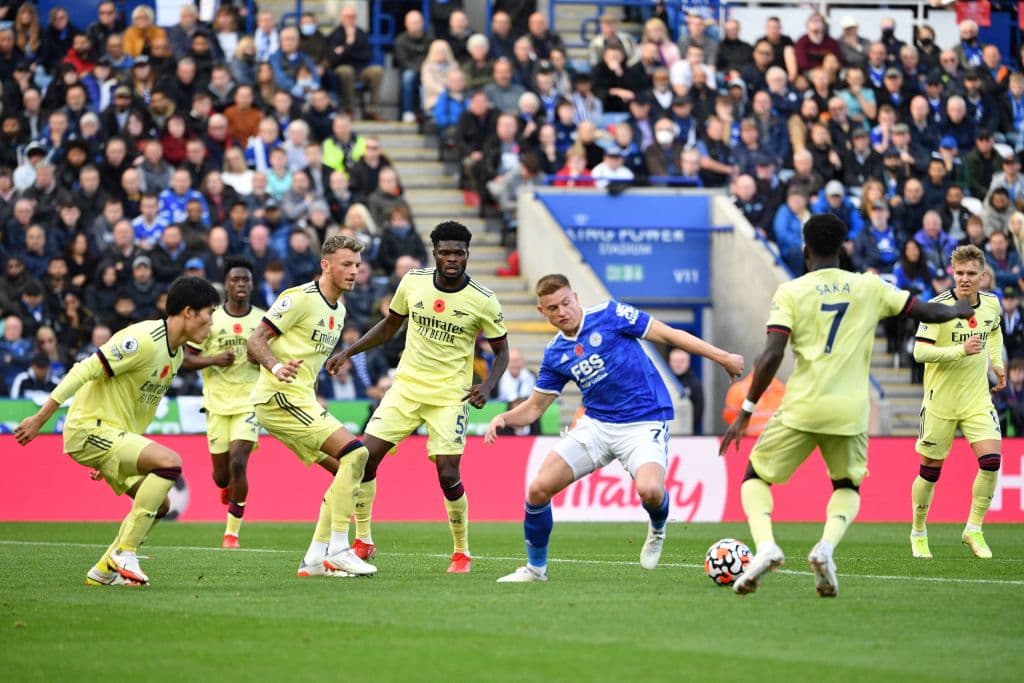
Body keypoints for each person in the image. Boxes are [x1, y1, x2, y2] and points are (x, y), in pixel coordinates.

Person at [720, 214, 974, 598]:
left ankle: (767, 545)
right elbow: (923, 311)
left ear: (806, 250)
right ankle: (825, 547)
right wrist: (959, 309)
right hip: (850, 410)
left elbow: (772, 353)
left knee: (755, 477)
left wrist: (746, 409)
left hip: (803, 406)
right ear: (842, 248)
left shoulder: (791, 291)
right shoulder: (869, 287)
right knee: (846, 484)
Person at [484, 274, 744, 582]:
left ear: (576, 298)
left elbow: (669, 335)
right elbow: (536, 407)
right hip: (597, 426)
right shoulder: (555, 353)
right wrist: (503, 418)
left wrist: (723, 357)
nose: (562, 312)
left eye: (566, 303)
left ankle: (658, 525)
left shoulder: (611, 315)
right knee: (538, 489)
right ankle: (536, 569)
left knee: (650, 491)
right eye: (553, 308)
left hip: (643, 421)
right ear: (543, 312)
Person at [325, 221, 509, 574]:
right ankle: (362, 539)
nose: (452, 259)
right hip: (406, 389)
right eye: (445, 252)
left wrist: (486, 387)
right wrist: (349, 351)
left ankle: (461, 552)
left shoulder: (484, 300)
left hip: (449, 397)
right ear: (435, 253)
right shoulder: (413, 282)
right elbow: (390, 326)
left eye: (458, 253)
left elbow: (501, 353)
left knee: (447, 474)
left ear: (467, 255)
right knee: (364, 457)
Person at [14, 277, 221, 586]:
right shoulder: (143, 339)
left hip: (112, 436)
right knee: (170, 462)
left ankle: (103, 570)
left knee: (160, 505)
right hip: (88, 428)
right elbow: (84, 369)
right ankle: (124, 552)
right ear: (189, 312)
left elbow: (140, 407)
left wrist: (118, 456)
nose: (212, 322)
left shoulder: (175, 354)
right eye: (209, 312)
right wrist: (41, 417)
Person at [246, 235, 377, 578]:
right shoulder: (299, 299)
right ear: (326, 265)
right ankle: (339, 548)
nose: (354, 272)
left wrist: (315, 382)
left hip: (300, 398)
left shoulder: (340, 311)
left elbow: (310, 362)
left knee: (344, 470)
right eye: (346, 264)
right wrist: (276, 367)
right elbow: (255, 341)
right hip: (277, 398)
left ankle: (315, 558)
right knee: (357, 454)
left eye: (357, 266)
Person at [909, 245, 1005, 560]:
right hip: (941, 400)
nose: (964, 279)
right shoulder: (937, 308)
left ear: (982, 275)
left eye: (971, 274)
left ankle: (974, 529)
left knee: (991, 461)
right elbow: (919, 352)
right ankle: (919, 531)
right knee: (930, 471)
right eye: (959, 273)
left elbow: (994, 332)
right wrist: (959, 352)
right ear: (953, 272)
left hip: (977, 397)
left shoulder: (991, 304)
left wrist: (996, 364)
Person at [183, 257, 265, 549]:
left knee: (239, 461)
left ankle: (232, 532)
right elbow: (185, 358)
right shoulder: (211, 318)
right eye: (235, 279)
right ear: (226, 284)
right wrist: (214, 359)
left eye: (246, 279)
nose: (241, 284)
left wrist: (263, 358)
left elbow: (275, 357)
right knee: (221, 477)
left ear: (252, 285)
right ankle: (227, 487)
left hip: (249, 403)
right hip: (217, 405)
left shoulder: (263, 320)